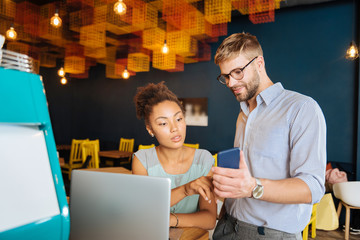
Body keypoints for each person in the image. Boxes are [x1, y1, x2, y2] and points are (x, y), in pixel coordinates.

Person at [211, 33, 326, 239]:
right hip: (227, 225)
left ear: (259, 63)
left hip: (269, 234)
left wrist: (253, 187)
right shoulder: (243, 113)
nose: (230, 83)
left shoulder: (301, 108)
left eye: (237, 72)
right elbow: (244, 175)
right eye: (226, 76)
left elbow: (313, 188)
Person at [132, 82, 217, 230]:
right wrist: (186, 190)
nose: (174, 128)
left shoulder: (203, 159)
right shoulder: (142, 160)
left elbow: (209, 219)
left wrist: (169, 220)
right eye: (163, 123)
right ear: (150, 129)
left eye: (178, 119)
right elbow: (143, 210)